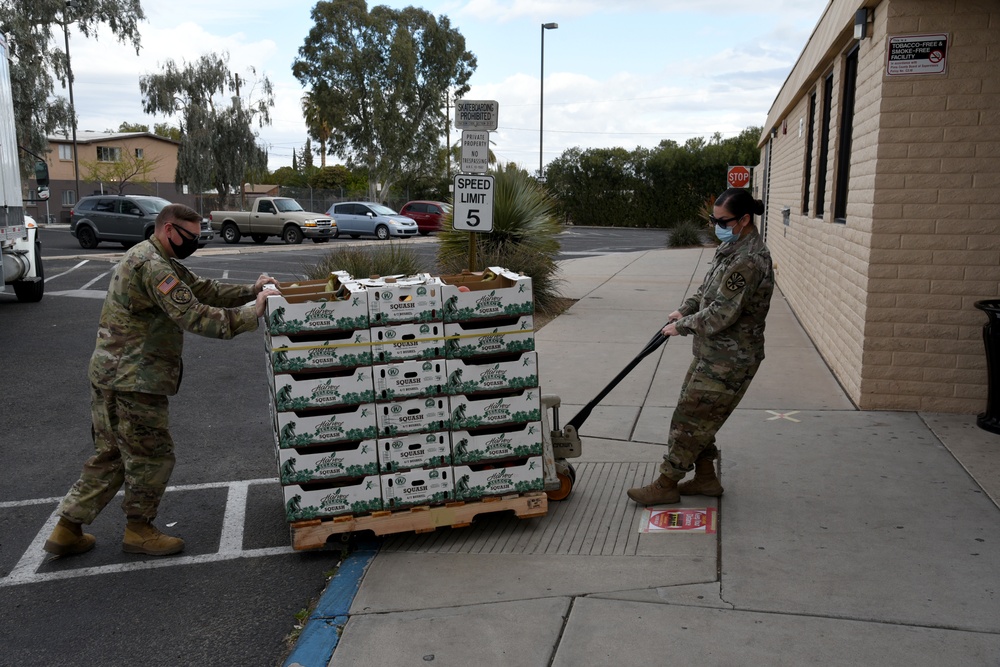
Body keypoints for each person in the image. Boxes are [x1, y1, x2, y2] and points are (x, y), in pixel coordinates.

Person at [44, 203, 280, 557]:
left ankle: (66, 529)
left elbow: (201, 288)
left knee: (110, 456)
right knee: (152, 456)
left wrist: (252, 288)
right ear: (169, 229)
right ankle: (139, 530)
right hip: (134, 379)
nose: (194, 244)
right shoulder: (153, 266)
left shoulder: (151, 256)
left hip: (111, 374)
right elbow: (195, 315)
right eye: (190, 237)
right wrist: (253, 312)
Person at [627, 188, 774, 505]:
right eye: (713, 219)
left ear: (744, 219)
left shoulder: (749, 261)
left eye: (722, 221)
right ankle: (706, 478)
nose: (716, 225)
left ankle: (667, 484)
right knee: (697, 416)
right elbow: (708, 293)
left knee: (689, 420)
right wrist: (685, 309)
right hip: (712, 353)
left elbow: (722, 312)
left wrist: (681, 327)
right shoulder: (731, 247)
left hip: (731, 360)